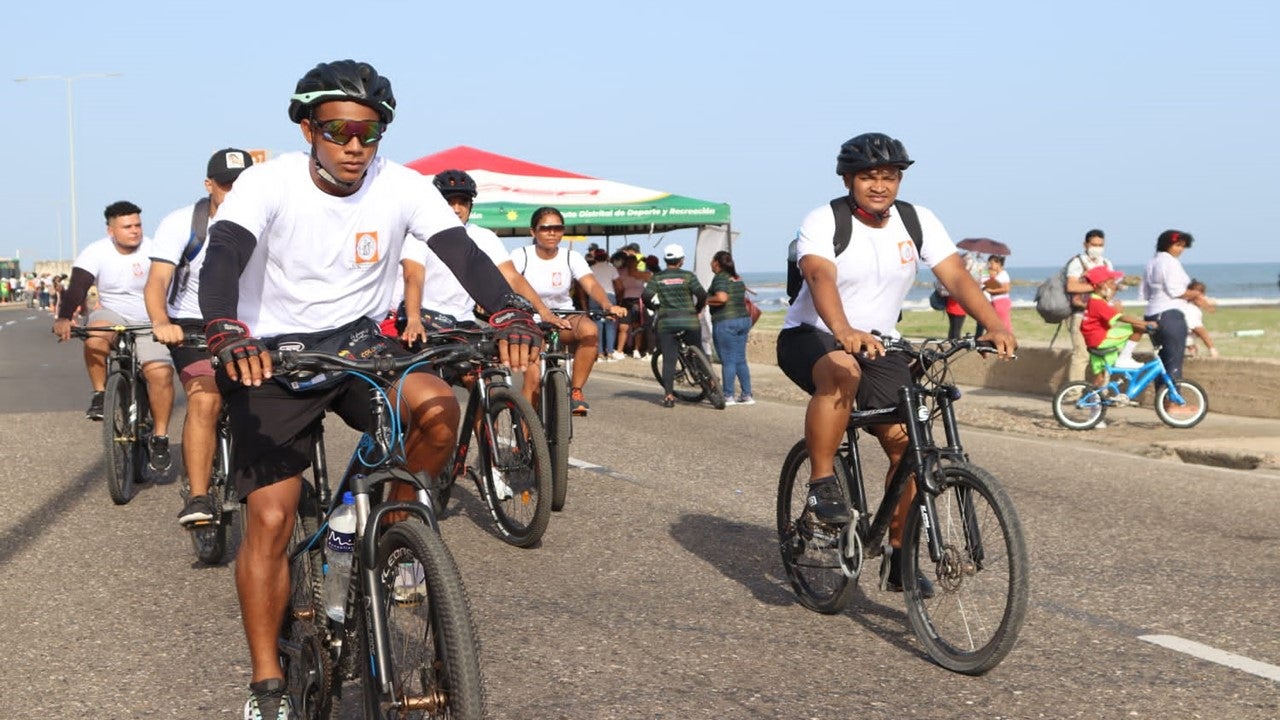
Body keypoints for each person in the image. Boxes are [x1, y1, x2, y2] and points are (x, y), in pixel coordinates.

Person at [196, 59, 542, 720]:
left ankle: (396, 532)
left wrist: (507, 310)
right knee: (270, 517)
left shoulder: (403, 185)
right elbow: (225, 256)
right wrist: (223, 325)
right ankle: (267, 681)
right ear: (308, 128)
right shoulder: (266, 185)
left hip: (362, 341)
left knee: (441, 410)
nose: (355, 145)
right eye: (339, 130)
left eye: (371, 132)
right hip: (271, 354)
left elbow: (461, 253)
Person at [775, 132, 1015, 594]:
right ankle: (823, 483)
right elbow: (819, 274)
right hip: (812, 335)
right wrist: (843, 329)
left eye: (889, 176)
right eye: (868, 176)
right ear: (848, 178)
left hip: (879, 344)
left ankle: (898, 556)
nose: (880, 185)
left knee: (910, 448)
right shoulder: (824, 219)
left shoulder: (916, 221)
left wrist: (993, 325)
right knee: (840, 371)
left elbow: (956, 275)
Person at [144, 148, 254, 526]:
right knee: (205, 398)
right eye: (226, 186)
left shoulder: (273, 221)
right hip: (194, 326)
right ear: (209, 185)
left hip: (251, 325)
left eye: (243, 186)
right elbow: (158, 280)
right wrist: (161, 321)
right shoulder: (183, 224)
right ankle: (199, 496)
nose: (234, 194)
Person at [53, 202, 177, 471]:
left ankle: (160, 436)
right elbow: (78, 287)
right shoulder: (95, 252)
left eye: (138, 225)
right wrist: (64, 317)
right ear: (111, 230)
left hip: (150, 319)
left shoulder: (156, 250)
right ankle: (100, 394)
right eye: (127, 227)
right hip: (113, 314)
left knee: (159, 373)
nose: (135, 231)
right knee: (95, 335)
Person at [396, 168, 561, 341]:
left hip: (466, 323)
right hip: (426, 319)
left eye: (463, 202)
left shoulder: (485, 237)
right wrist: (413, 319)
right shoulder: (419, 236)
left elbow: (512, 276)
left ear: (471, 206)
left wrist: (543, 312)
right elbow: (413, 276)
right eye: (449, 202)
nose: (456, 209)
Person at [510, 206, 626, 416]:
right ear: (533, 232)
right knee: (533, 379)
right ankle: (524, 438)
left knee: (590, 330)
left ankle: (576, 392)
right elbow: (509, 281)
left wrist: (608, 305)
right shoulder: (521, 255)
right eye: (545, 228)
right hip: (531, 320)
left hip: (563, 318)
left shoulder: (571, 257)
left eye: (557, 228)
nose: (552, 233)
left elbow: (591, 284)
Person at [642, 243, 707, 408]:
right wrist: (697, 309)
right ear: (682, 260)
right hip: (690, 320)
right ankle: (711, 382)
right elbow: (701, 294)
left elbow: (646, 296)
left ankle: (669, 396)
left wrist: (655, 308)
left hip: (667, 323)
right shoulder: (688, 276)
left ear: (665, 260)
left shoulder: (657, 278)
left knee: (669, 360)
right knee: (698, 350)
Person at [1140, 229, 1208, 385]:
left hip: (1152, 313)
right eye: (1177, 245)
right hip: (1170, 316)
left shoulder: (1152, 262)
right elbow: (1176, 291)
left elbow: (1145, 292)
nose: (1180, 250)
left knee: (1161, 362)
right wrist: (1197, 295)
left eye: (1183, 246)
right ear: (1167, 245)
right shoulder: (1170, 262)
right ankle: (1173, 402)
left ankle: (1163, 401)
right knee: (1174, 359)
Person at [1080, 265, 1154, 393]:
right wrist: (1144, 323)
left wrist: (1112, 305)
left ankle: (1095, 408)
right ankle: (1125, 357)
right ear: (1101, 285)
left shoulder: (1093, 300)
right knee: (1137, 328)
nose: (1115, 286)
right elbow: (1121, 317)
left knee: (1099, 377)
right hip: (1101, 339)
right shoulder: (1097, 303)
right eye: (1112, 283)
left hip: (1093, 340)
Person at [1064, 229, 1115, 382]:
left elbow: (1111, 287)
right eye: (1094, 244)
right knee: (1081, 355)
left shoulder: (1106, 263)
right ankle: (1074, 392)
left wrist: (1108, 292)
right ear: (1085, 244)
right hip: (1081, 315)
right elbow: (1071, 287)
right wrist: (1097, 287)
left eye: (1100, 245)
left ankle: (1101, 392)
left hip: (1102, 316)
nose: (1097, 248)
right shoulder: (1077, 262)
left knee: (1104, 354)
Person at [707, 250, 754, 405]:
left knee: (728, 360)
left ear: (716, 263)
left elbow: (722, 298)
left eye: (712, 261)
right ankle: (747, 395)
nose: (710, 264)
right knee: (740, 359)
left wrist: (705, 300)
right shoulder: (736, 277)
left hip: (726, 322)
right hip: (743, 320)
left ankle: (728, 396)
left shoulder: (720, 277)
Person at [587, 247, 621, 361]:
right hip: (609, 296)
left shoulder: (590, 269)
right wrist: (618, 299)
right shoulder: (611, 269)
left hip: (594, 296)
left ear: (595, 258)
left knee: (597, 326)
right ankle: (610, 352)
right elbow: (619, 285)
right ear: (606, 257)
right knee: (610, 324)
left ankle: (600, 353)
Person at [614, 251, 650, 358]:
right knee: (623, 326)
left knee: (637, 326)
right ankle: (620, 350)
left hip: (639, 300)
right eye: (630, 262)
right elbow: (618, 287)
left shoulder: (642, 272)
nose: (632, 264)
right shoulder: (620, 272)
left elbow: (649, 278)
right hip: (625, 300)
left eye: (634, 262)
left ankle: (636, 350)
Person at [1182, 280, 1218, 358]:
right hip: (1188, 328)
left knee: (1190, 344)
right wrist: (1211, 347)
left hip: (1184, 333)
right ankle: (1212, 350)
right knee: (1202, 334)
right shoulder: (1191, 310)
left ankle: (1193, 352)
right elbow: (1200, 330)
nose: (1204, 297)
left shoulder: (1186, 306)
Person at [982, 254, 1012, 333]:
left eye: (992, 263)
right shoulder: (997, 275)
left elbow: (1006, 289)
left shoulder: (1004, 275)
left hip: (1001, 301)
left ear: (998, 263)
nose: (990, 266)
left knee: (1003, 324)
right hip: (995, 301)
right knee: (997, 323)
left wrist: (992, 291)